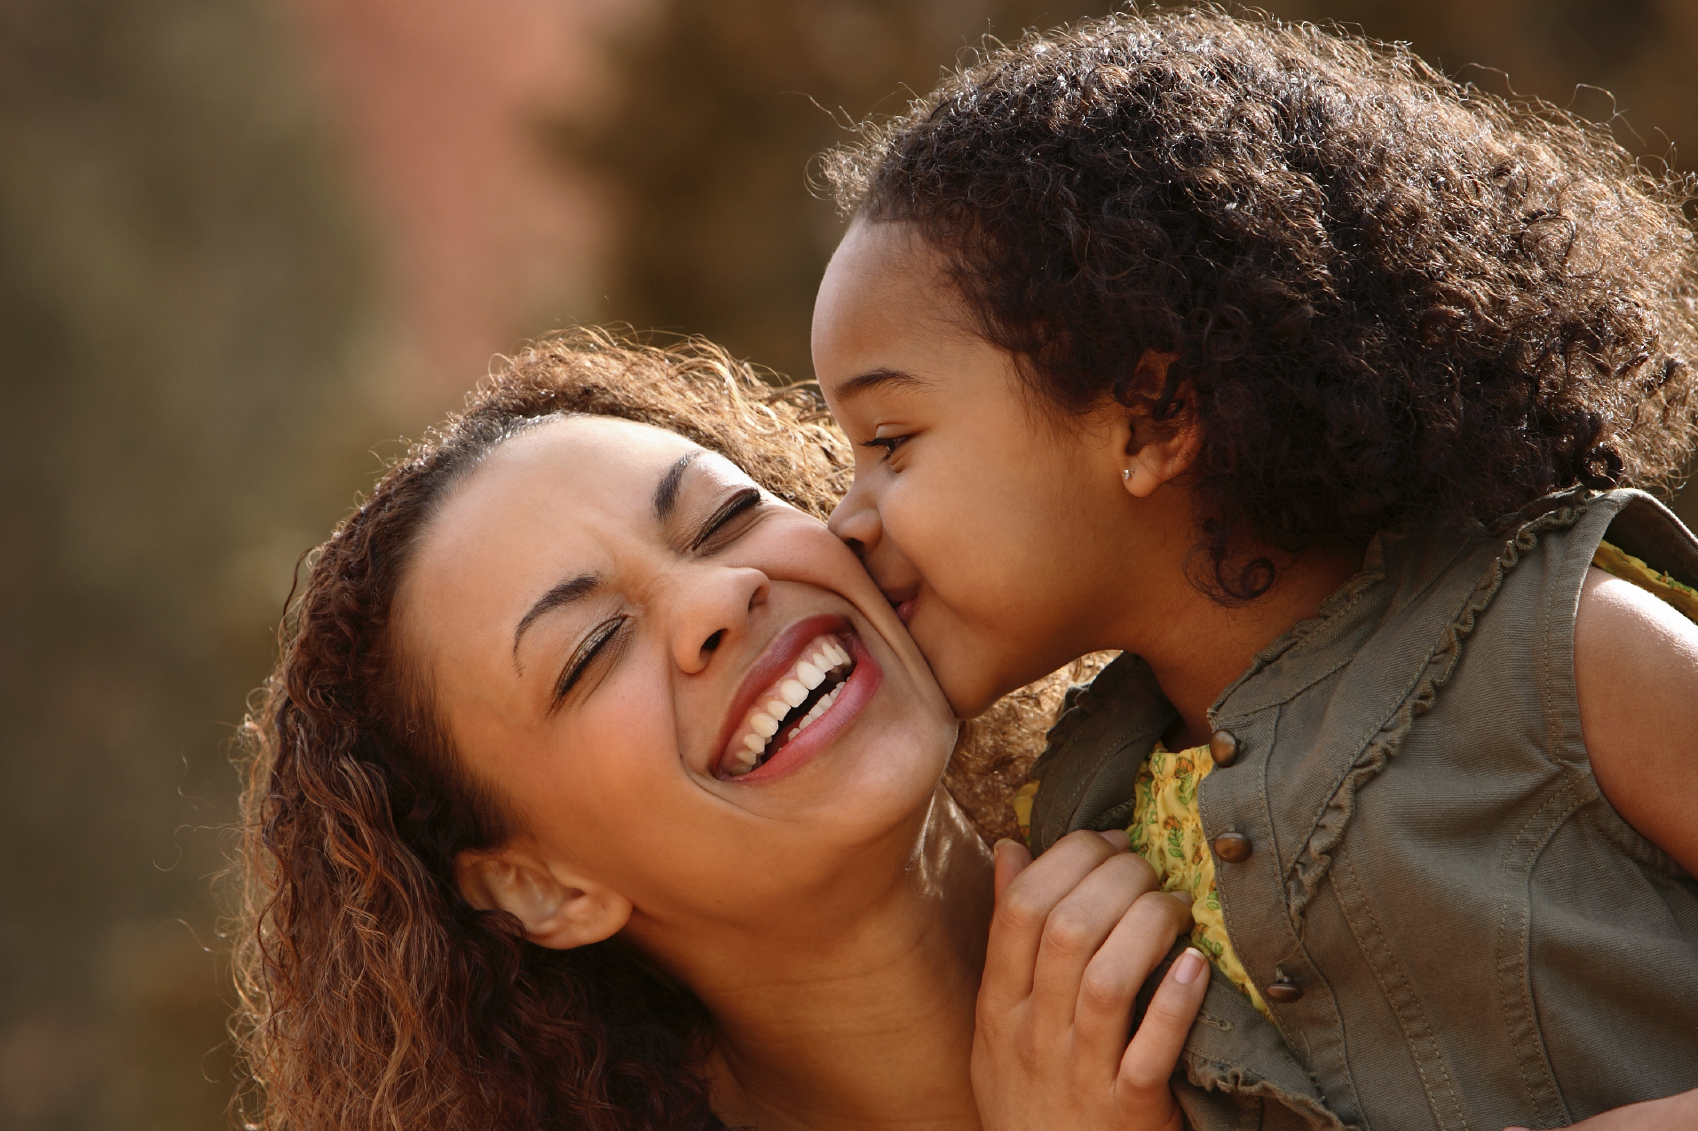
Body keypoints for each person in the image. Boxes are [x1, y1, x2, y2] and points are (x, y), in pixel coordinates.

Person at [813, 10, 1698, 1131]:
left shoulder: (1559, 647)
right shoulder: (1068, 852)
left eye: (889, 440)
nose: (844, 517)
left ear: (1150, 416)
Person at [230, 330, 1215, 1131]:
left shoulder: (1248, 787)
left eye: (726, 517)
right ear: (541, 886)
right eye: (591, 650)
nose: (720, 598)